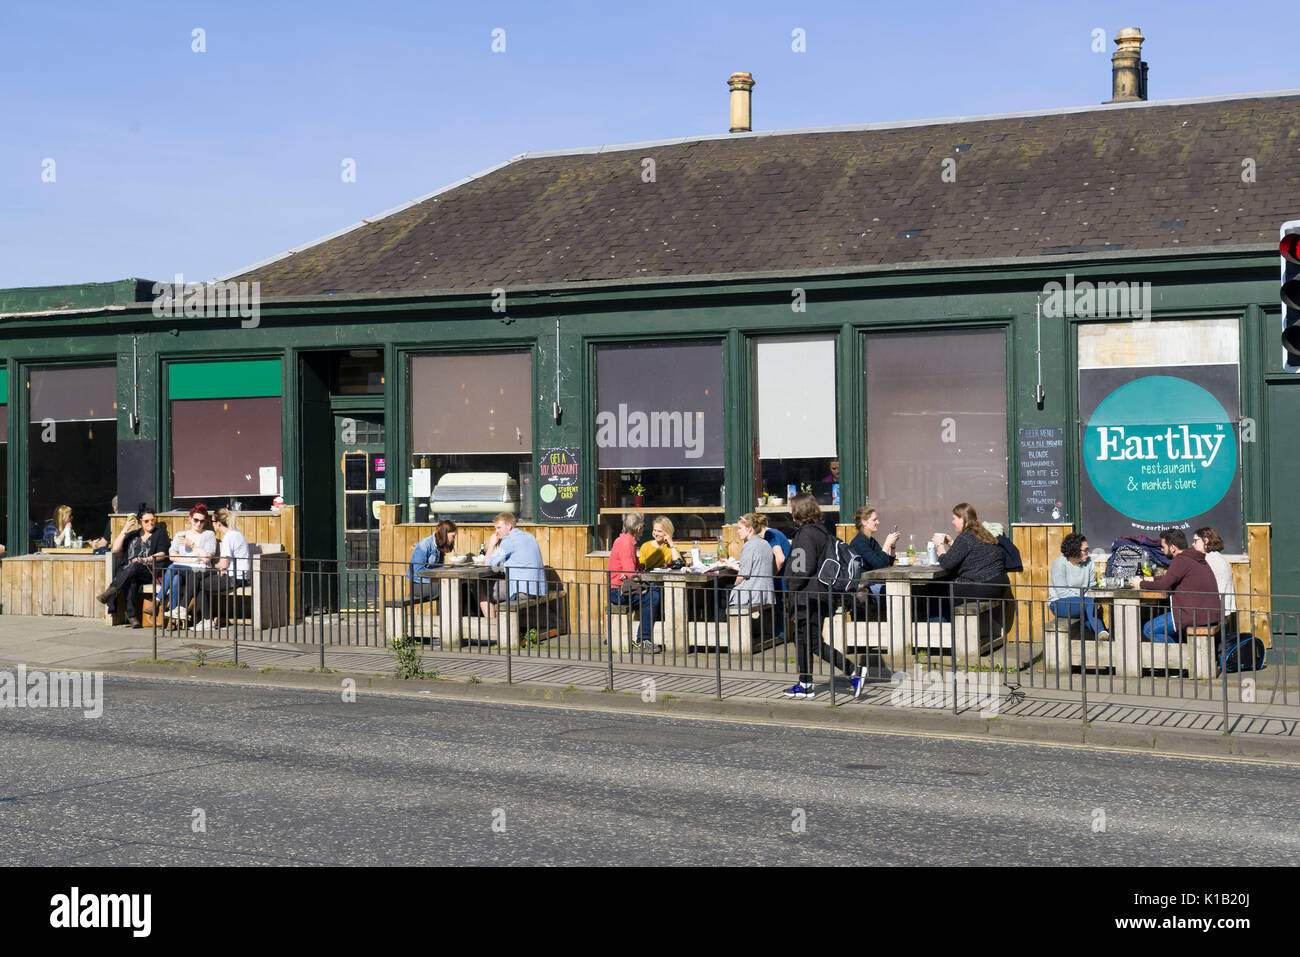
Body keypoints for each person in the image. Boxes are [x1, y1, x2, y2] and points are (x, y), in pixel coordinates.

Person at [783, 494, 867, 700]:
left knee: (810, 641)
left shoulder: (805, 534)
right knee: (803, 639)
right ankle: (805, 684)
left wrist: (789, 585)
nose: (789, 512)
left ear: (797, 512)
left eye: (791, 508)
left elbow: (801, 567)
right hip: (819, 595)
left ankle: (853, 670)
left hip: (806, 596)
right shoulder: (822, 532)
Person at [1130, 528, 1222, 642]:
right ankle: (1179, 653)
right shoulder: (1192, 557)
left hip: (1193, 615)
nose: (1161, 549)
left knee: (1149, 629)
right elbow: (1172, 577)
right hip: (1207, 614)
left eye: (1163, 547)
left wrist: (1141, 584)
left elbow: (1163, 585)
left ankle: (1177, 657)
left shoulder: (1181, 560)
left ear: (1172, 548)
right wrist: (1153, 578)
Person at [924, 502, 1010, 621]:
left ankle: (939, 631)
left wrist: (939, 545)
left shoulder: (965, 537)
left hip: (983, 585)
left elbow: (946, 564)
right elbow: (974, 555)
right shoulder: (982, 533)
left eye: (954, 518)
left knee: (934, 589)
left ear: (963, 519)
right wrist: (953, 545)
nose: (952, 522)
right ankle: (947, 626)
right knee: (942, 587)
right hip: (998, 586)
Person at [97, 508, 170, 627]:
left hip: (149, 569)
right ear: (140, 521)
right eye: (146, 521)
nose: (150, 523)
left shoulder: (159, 534)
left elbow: (162, 554)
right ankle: (132, 616)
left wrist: (145, 559)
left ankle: (111, 591)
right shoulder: (133, 534)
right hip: (130, 571)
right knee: (131, 579)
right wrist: (124, 530)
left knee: (134, 566)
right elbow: (115, 549)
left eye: (153, 520)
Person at [608, 512, 662, 651]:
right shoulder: (627, 543)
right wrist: (634, 574)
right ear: (638, 529)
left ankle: (644, 637)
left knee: (653, 591)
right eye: (643, 527)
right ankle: (643, 639)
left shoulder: (622, 540)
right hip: (618, 591)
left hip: (617, 588)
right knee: (652, 596)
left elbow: (630, 572)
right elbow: (631, 573)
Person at [192, 509, 251, 630]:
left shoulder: (229, 537)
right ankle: (189, 612)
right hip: (237, 575)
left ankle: (206, 620)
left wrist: (212, 566)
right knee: (197, 576)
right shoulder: (236, 533)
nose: (212, 524)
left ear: (218, 523)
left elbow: (223, 564)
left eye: (212, 521)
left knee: (198, 584)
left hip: (236, 578)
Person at [480, 512, 547, 616]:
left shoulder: (509, 540)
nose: (496, 532)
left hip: (523, 591)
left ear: (509, 526)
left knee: (481, 586)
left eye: (499, 528)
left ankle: (491, 627)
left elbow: (488, 564)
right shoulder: (529, 537)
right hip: (537, 589)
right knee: (497, 584)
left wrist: (492, 544)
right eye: (495, 528)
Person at [1048, 532, 1109, 640]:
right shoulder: (1059, 564)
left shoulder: (1089, 563)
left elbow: (1092, 586)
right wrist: (1087, 598)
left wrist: (1090, 598)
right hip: (1060, 604)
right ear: (1075, 550)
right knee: (1090, 603)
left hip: (1083, 604)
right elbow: (1062, 592)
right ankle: (1102, 632)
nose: (1088, 553)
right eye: (1085, 550)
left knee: (1092, 612)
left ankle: (1108, 641)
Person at [162, 503, 217, 620]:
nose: (198, 523)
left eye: (202, 521)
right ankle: (175, 615)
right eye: (196, 520)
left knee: (172, 568)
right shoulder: (180, 535)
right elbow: (172, 555)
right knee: (175, 579)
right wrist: (190, 559)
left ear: (205, 521)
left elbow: (207, 558)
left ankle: (159, 599)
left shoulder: (209, 535)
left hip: (200, 571)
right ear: (190, 518)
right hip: (183, 570)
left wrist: (191, 544)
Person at [722, 513, 775, 611]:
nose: (737, 532)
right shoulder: (766, 544)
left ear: (749, 528)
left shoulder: (749, 545)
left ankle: (726, 625)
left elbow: (742, 575)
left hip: (753, 593)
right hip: (767, 593)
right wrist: (731, 565)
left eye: (740, 528)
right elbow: (755, 568)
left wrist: (734, 586)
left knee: (721, 594)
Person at [754, 514, 790, 639]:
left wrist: (771, 576)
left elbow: (780, 559)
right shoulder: (774, 533)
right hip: (786, 578)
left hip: (782, 580)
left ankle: (781, 636)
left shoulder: (770, 535)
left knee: (780, 610)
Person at [1192, 527, 1237, 626]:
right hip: (1224, 608)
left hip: (1214, 612)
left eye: (1195, 541)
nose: (1193, 544)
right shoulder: (1218, 557)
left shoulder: (1209, 560)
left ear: (1206, 541)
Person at [408, 520, 457, 597]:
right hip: (419, 585)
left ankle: (471, 609)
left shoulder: (440, 545)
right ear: (445, 534)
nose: (453, 540)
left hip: (434, 582)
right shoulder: (425, 544)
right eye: (453, 536)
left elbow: (439, 568)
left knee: (463, 588)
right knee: (450, 588)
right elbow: (418, 571)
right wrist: (438, 576)